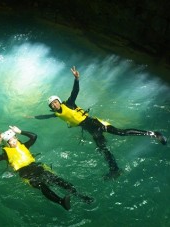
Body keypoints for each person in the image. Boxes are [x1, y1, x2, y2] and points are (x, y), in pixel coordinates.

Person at [29, 66, 167, 180]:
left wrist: (76, 79)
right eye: (52, 104)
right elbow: (46, 117)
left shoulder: (69, 104)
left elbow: (75, 92)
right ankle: (115, 170)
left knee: (121, 132)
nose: (54, 105)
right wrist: (33, 117)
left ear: (59, 101)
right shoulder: (57, 114)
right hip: (91, 130)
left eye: (55, 102)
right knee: (103, 149)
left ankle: (154, 134)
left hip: (96, 124)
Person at [0, 125, 94, 211]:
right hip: (25, 174)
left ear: (16, 138)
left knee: (56, 180)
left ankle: (81, 196)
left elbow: (34, 137)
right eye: (10, 141)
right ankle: (61, 202)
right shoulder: (6, 153)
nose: (13, 142)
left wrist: (20, 131)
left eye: (14, 138)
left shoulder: (24, 145)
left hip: (36, 168)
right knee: (42, 186)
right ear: (7, 144)